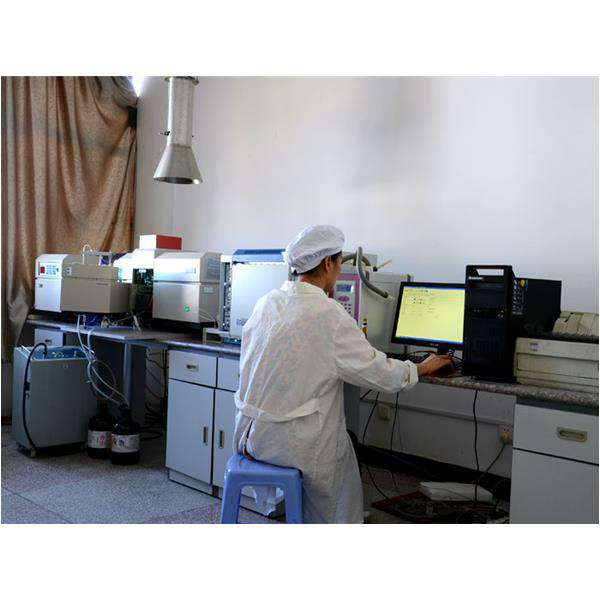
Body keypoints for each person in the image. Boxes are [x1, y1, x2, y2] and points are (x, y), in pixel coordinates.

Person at [232, 225, 453, 523]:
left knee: (336, 435)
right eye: (339, 262)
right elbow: (380, 372)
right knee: (342, 456)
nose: (339, 270)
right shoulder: (328, 314)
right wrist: (422, 367)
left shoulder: (267, 302)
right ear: (328, 263)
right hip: (294, 444)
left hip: (253, 436)